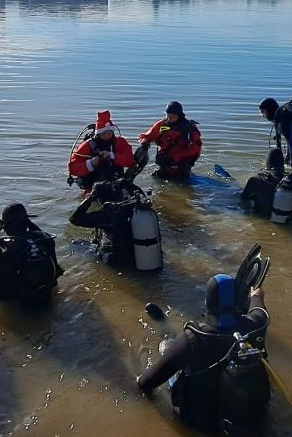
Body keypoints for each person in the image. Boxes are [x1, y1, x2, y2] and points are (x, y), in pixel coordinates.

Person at [137, 277, 271, 433]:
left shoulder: (194, 338)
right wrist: (256, 294)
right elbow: (258, 308)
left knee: (167, 346)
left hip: (206, 425)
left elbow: (146, 383)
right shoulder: (256, 325)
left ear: (208, 303)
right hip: (245, 420)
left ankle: (163, 326)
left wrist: (138, 380)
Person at [0, 203, 62, 307]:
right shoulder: (46, 240)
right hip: (44, 298)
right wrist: (26, 221)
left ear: (4, 225)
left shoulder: (0, 250)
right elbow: (38, 232)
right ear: (26, 222)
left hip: (15, 303)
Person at [69, 179, 137, 266]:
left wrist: (89, 199)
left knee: (76, 243)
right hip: (138, 255)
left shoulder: (106, 215)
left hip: (119, 260)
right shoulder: (129, 207)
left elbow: (74, 219)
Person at [68, 110, 134, 191]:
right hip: (91, 185)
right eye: (104, 133)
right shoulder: (87, 145)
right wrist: (91, 163)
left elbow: (130, 160)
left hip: (115, 181)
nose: (107, 135)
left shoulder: (119, 142)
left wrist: (112, 155)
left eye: (109, 133)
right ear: (98, 134)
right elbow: (72, 168)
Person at [137, 101, 202, 179]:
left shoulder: (189, 129)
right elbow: (150, 134)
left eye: (173, 117)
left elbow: (195, 150)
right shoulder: (162, 124)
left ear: (179, 115)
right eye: (168, 116)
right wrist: (145, 141)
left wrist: (176, 157)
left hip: (181, 165)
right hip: (164, 163)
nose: (169, 119)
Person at [240, 149, 286, 218]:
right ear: (282, 162)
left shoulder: (255, 179)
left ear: (268, 162)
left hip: (261, 218)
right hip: (288, 221)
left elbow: (243, 199)